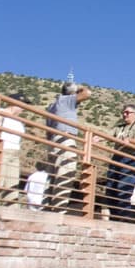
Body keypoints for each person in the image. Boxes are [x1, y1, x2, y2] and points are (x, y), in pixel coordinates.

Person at [46, 81, 91, 213]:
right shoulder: (67, 100)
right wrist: (79, 87)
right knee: (66, 174)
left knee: (53, 177)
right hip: (65, 140)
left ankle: (49, 209)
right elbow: (87, 93)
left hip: (53, 142)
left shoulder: (52, 106)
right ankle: (59, 211)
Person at [103, 104, 135, 223]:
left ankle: (123, 220)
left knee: (124, 189)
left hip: (130, 158)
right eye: (123, 112)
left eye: (128, 112)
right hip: (116, 157)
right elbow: (109, 135)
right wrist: (98, 138)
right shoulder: (120, 127)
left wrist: (129, 141)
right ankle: (114, 218)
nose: (125, 114)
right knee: (111, 189)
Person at [0, 93, 28, 205]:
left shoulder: (19, 121)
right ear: (13, 103)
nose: (23, 108)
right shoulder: (0, 111)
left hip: (15, 154)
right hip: (2, 150)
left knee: (12, 186)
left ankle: (9, 216)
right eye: (21, 105)